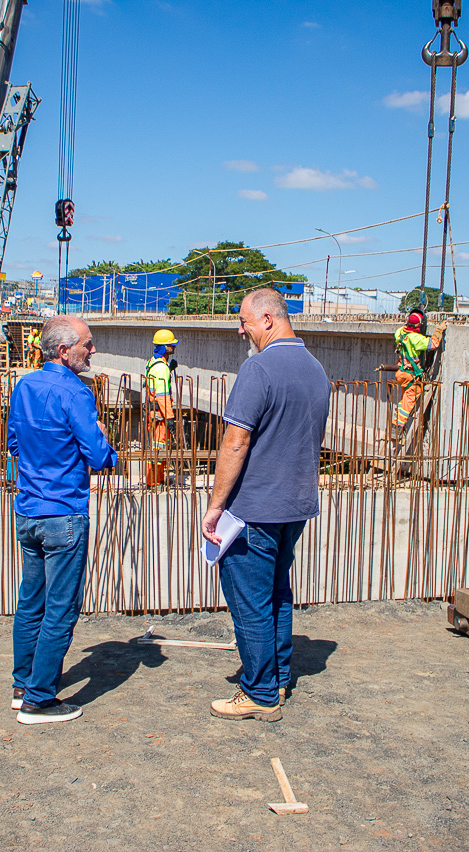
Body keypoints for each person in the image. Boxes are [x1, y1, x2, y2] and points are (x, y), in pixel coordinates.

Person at [202, 289, 330, 722]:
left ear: (269, 319)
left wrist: (215, 505)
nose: (241, 330)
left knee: (250, 600)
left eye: (245, 321)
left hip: (254, 509)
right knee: (277, 594)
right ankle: (276, 676)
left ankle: (258, 692)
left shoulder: (258, 369)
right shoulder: (316, 370)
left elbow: (235, 442)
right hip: (294, 506)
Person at [6, 315, 118, 724]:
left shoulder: (24, 385)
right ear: (63, 350)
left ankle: (22, 685)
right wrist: (106, 443)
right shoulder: (76, 393)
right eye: (87, 344)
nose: (92, 350)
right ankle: (39, 699)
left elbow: (14, 443)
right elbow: (99, 457)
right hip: (64, 514)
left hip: (29, 511)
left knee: (30, 601)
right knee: (61, 608)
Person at [391, 311, 445, 440]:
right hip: (410, 375)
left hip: (402, 373)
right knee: (410, 399)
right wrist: (439, 330)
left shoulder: (400, 333)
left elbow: (401, 331)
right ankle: (397, 426)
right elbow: (433, 344)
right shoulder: (415, 339)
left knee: (404, 399)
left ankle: (397, 420)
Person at [144, 329, 178, 486]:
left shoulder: (154, 362)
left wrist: (169, 368)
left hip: (154, 412)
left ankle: (157, 479)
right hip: (160, 413)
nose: (174, 347)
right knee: (159, 448)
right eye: (171, 345)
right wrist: (170, 416)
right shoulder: (161, 368)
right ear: (164, 347)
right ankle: (154, 481)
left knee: (158, 447)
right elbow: (162, 395)